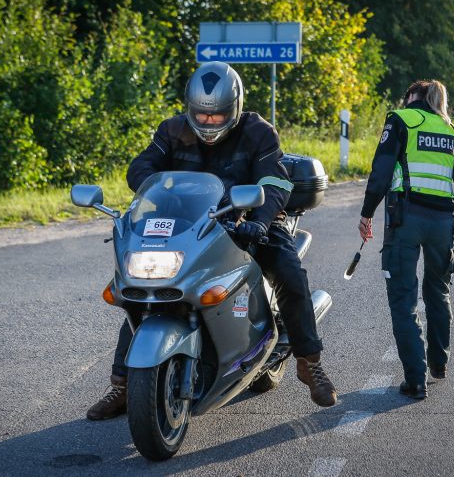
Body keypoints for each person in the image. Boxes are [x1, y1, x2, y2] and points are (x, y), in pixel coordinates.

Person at [87, 61, 337, 420]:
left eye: (216, 117)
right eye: (201, 116)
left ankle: (309, 363)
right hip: (190, 225)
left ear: (233, 109)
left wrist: (261, 221)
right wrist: (161, 192)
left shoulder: (258, 132)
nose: (208, 124)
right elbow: (140, 169)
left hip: (251, 220)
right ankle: (124, 386)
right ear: (190, 108)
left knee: (288, 269)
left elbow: (276, 183)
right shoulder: (172, 130)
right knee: (145, 287)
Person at [358, 79, 454, 400]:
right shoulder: (452, 132)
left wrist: (367, 212)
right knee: (439, 291)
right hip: (443, 224)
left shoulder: (400, 119)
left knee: (403, 298)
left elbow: (382, 170)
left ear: (411, 98)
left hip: (406, 220)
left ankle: (415, 380)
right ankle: (439, 364)